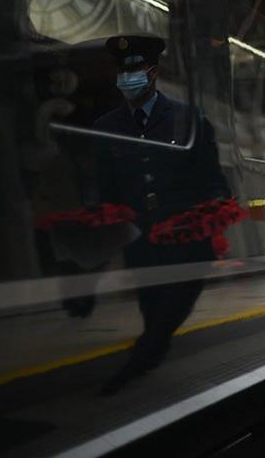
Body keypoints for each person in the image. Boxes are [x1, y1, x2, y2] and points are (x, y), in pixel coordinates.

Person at [94, 34, 231, 395]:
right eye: (122, 73)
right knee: (151, 304)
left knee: (175, 300)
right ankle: (150, 357)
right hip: (140, 238)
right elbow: (101, 186)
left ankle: (145, 355)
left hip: (186, 236)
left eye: (135, 71)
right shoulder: (106, 127)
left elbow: (212, 176)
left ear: (152, 74)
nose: (127, 79)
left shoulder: (188, 120)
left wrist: (215, 210)